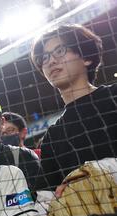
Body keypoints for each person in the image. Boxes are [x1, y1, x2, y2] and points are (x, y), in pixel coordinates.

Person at [31, 24, 117, 190]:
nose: (51, 61)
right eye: (45, 58)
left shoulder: (114, 96)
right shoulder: (53, 135)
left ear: (86, 58)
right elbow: (45, 196)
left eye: (60, 51)